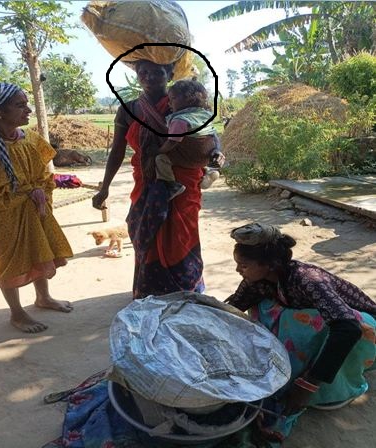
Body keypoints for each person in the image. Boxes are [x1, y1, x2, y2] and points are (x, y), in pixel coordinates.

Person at [92, 60, 223, 299]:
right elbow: (117, 150)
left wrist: (215, 154)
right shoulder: (128, 110)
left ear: (170, 74)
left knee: (182, 235)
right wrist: (105, 187)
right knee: (143, 232)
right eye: (142, 72)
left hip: (183, 183)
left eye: (156, 72)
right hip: (145, 180)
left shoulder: (184, 105)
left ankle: (187, 289)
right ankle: (149, 291)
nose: (149, 77)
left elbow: (207, 133)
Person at [226, 223, 376, 425]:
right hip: (334, 323)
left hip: (361, 328)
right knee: (264, 307)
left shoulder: (307, 280)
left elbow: (348, 328)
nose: (237, 270)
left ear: (269, 264)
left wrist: (308, 385)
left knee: (307, 321)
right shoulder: (258, 280)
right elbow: (234, 306)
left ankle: (337, 386)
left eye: (243, 266)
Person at [0, 82, 74, 334]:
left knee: (40, 249)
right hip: (3, 213)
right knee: (9, 261)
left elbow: (43, 172)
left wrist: (41, 193)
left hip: (36, 208)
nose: (28, 110)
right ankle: (17, 313)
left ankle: (43, 297)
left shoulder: (31, 139)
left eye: (27, 104)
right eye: (20, 105)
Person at [155, 79, 222, 200]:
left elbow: (172, 142)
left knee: (161, 159)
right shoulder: (204, 115)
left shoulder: (180, 120)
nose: (169, 103)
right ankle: (209, 172)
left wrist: (158, 151)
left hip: (189, 158)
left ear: (189, 99)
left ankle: (172, 186)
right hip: (206, 158)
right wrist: (217, 150)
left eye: (173, 98)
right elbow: (214, 135)